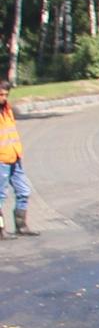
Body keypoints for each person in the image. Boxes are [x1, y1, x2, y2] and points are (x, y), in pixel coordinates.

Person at [0, 81, 32, 239]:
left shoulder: (7, 109)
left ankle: (21, 225)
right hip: (1, 161)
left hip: (14, 157)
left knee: (24, 191)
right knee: (0, 197)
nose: (3, 97)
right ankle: (0, 230)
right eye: (1, 95)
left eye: (6, 94)